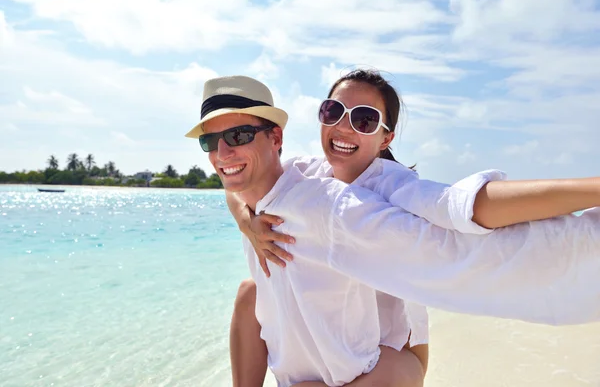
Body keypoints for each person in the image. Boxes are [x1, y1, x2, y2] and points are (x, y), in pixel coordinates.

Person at [185, 75, 600, 387]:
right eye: (333, 112)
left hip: (394, 353)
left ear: (386, 137)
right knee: (250, 293)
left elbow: (466, 207)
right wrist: (248, 223)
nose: (344, 128)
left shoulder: (391, 188)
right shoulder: (306, 174)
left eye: (364, 120)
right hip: (346, 341)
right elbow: (244, 183)